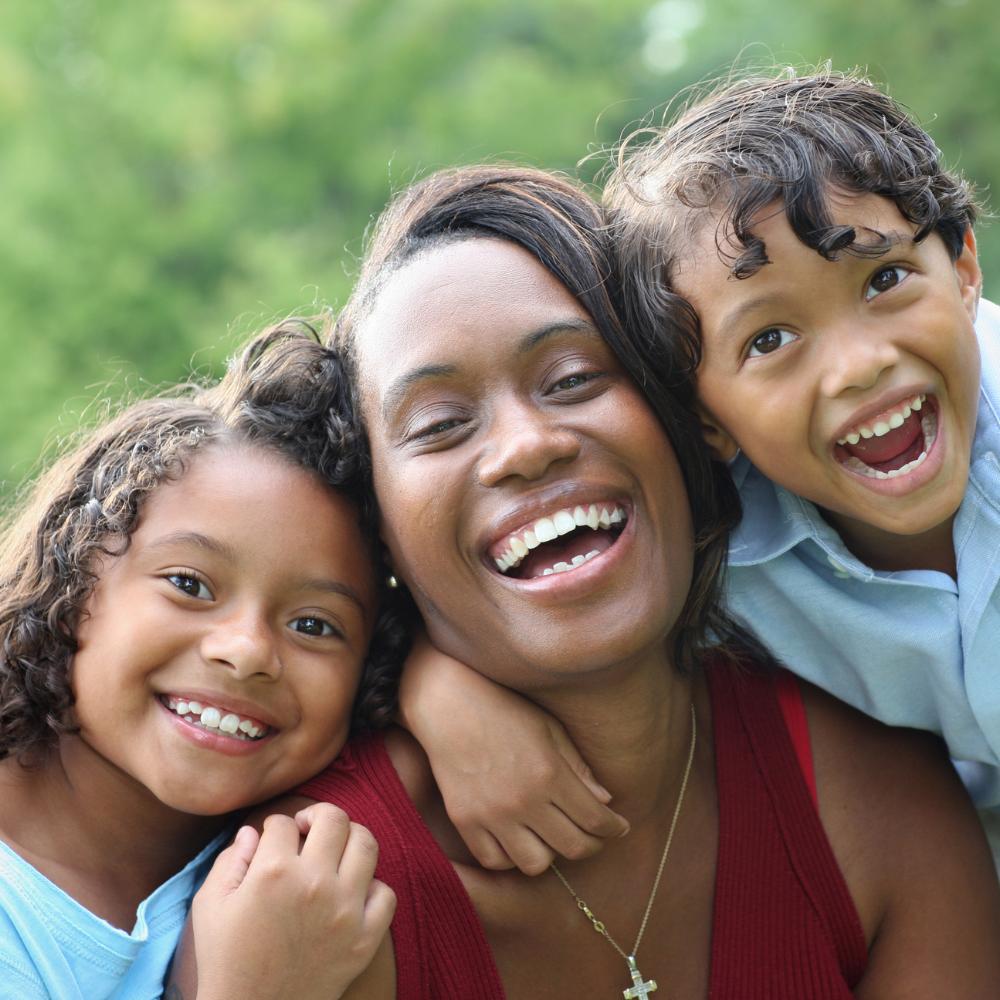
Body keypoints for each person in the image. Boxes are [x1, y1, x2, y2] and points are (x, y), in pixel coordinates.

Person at [209, 166, 1000, 997]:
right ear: (377, 524)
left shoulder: (876, 799)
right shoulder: (304, 904)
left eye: (575, 380)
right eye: (440, 425)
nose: (525, 446)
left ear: (694, 419)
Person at [394, 67, 1000, 873]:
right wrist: (436, 693)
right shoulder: (718, 554)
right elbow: (367, 586)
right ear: (707, 417)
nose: (857, 366)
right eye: (770, 340)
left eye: (884, 279)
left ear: (963, 272)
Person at [0, 324, 399, 999]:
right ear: (72, 584)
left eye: (314, 625)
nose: (246, 652)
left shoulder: (302, 889)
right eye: (190, 584)